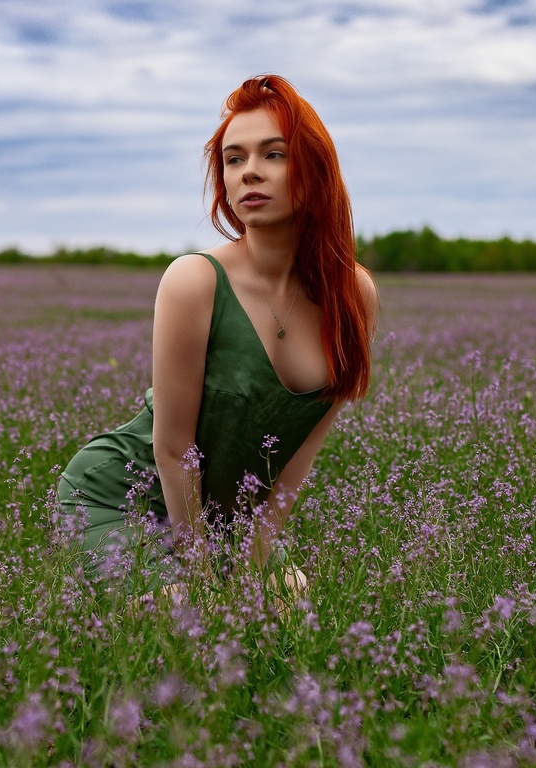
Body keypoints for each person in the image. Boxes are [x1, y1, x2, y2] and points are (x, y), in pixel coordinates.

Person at [57, 74, 378, 607]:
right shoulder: (195, 280)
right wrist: (204, 578)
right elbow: (172, 446)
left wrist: (251, 563)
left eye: (273, 154)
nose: (249, 170)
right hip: (122, 496)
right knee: (184, 615)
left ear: (315, 169)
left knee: (287, 609)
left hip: (230, 513)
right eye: (234, 159)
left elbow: (299, 455)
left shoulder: (353, 297)